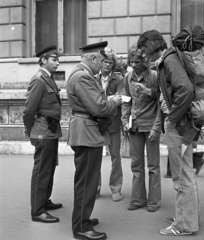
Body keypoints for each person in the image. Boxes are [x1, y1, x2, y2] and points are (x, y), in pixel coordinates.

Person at [138, 30, 200, 236]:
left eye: (145, 51)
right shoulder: (169, 59)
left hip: (179, 125)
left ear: (154, 47)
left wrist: (172, 118)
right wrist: (151, 92)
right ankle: (185, 217)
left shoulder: (170, 61)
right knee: (184, 174)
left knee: (182, 176)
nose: (144, 56)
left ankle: (185, 225)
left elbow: (186, 90)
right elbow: (171, 91)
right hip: (181, 123)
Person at [66, 41, 122, 240]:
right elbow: (99, 108)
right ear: (92, 58)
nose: (103, 64)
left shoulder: (81, 74)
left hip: (85, 131)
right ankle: (81, 226)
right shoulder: (83, 77)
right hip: (87, 133)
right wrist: (114, 101)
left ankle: (83, 218)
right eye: (101, 60)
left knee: (86, 179)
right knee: (87, 182)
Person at [23, 45, 62, 223]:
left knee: (50, 168)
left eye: (58, 59)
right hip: (42, 131)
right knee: (41, 171)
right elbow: (29, 110)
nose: (57, 62)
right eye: (54, 59)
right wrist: (29, 130)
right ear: (43, 60)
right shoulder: (38, 80)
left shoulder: (48, 78)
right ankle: (37, 211)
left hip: (50, 130)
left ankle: (44, 201)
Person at [121, 44, 162, 212]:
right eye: (131, 61)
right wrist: (124, 120)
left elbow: (162, 100)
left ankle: (154, 201)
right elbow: (126, 99)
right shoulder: (128, 77)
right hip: (135, 126)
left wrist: (156, 128)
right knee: (136, 165)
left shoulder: (154, 76)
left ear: (145, 60)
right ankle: (138, 199)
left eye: (137, 61)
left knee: (153, 166)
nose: (134, 64)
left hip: (151, 125)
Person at [96, 48, 124, 202]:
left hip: (113, 122)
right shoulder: (93, 77)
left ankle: (116, 189)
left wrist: (104, 101)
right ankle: (96, 188)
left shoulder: (118, 78)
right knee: (95, 158)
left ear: (114, 64)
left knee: (115, 157)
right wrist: (110, 100)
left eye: (110, 62)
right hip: (97, 123)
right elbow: (93, 99)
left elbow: (121, 97)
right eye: (105, 62)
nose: (107, 65)